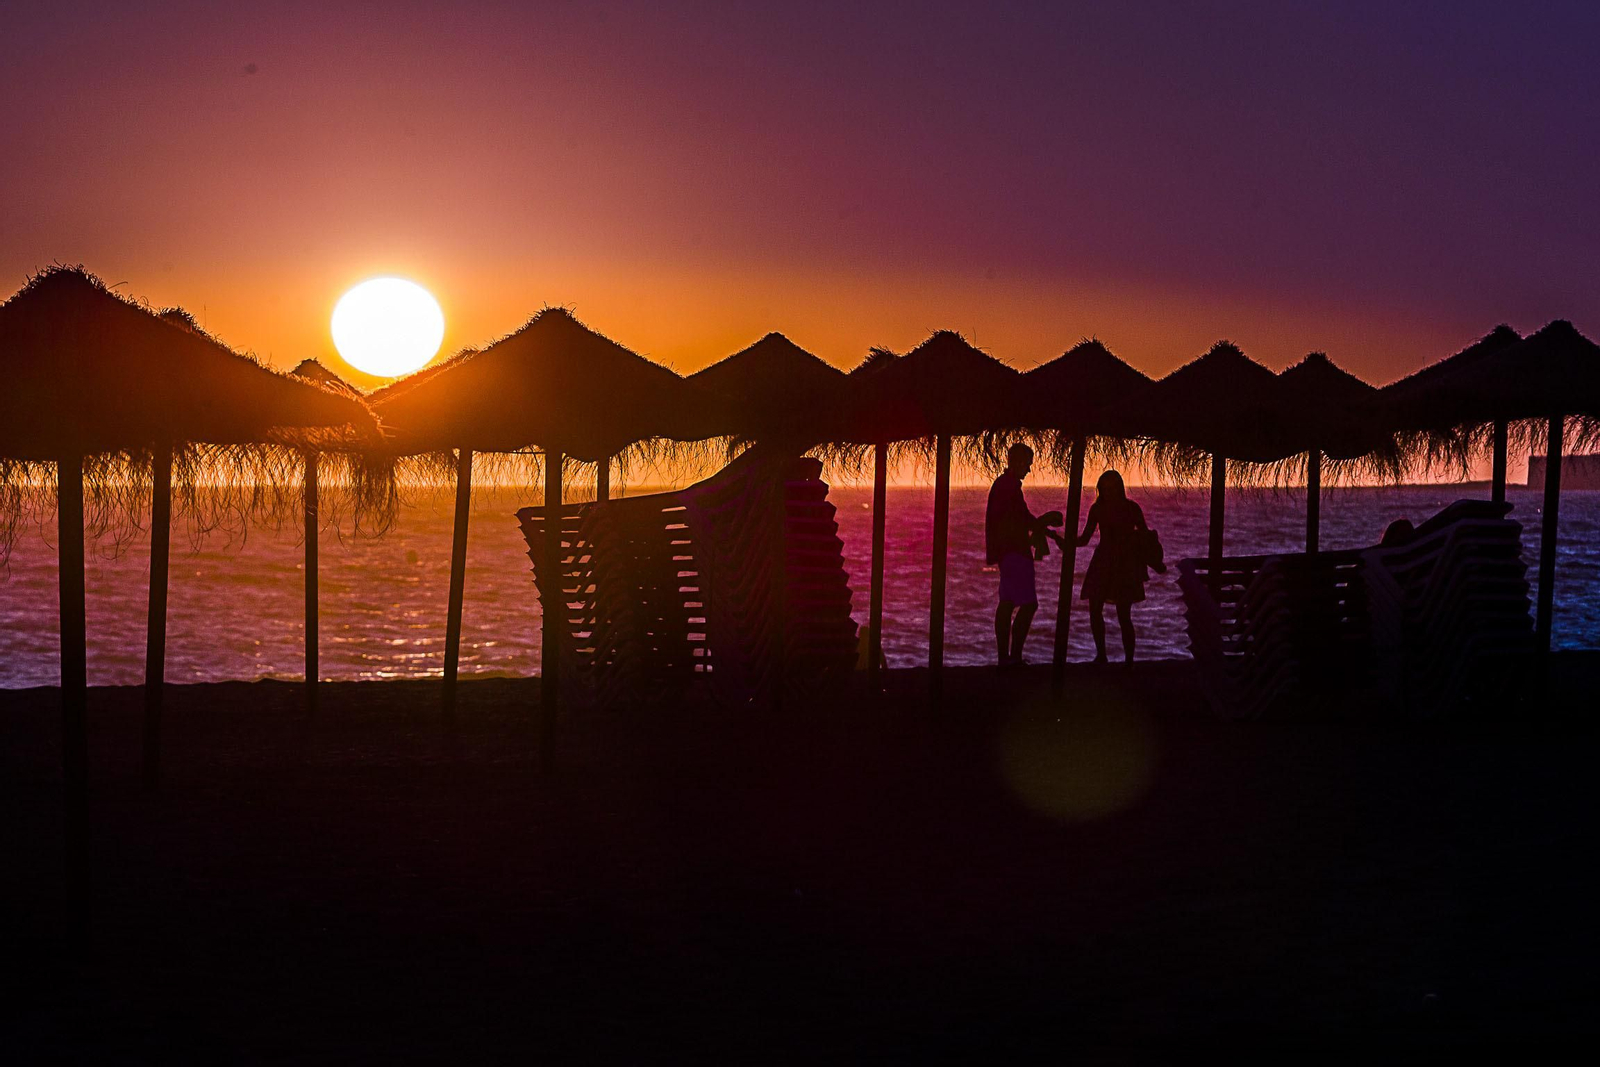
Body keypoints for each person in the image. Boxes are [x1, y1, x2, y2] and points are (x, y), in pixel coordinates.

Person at [1077, 469, 1150, 665]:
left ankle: (1128, 660)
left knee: (1123, 614)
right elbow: (1084, 539)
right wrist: (1066, 542)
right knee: (1095, 608)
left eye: (1112, 488)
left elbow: (1145, 536)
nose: (1108, 492)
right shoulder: (1099, 509)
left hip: (1123, 564)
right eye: (1105, 488)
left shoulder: (1131, 508)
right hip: (1104, 562)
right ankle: (1102, 655)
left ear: (1119, 488)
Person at [986, 442, 1041, 667]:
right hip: (1014, 550)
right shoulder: (1007, 487)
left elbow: (1020, 517)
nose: (1028, 469)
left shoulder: (1005, 485)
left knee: (1007, 602)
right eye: (1027, 464)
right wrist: (1043, 524)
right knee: (1027, 604)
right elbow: (1019, 518)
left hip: (1006, 551)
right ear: (1018, 462)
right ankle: (1013, 657)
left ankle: (1005, 658)